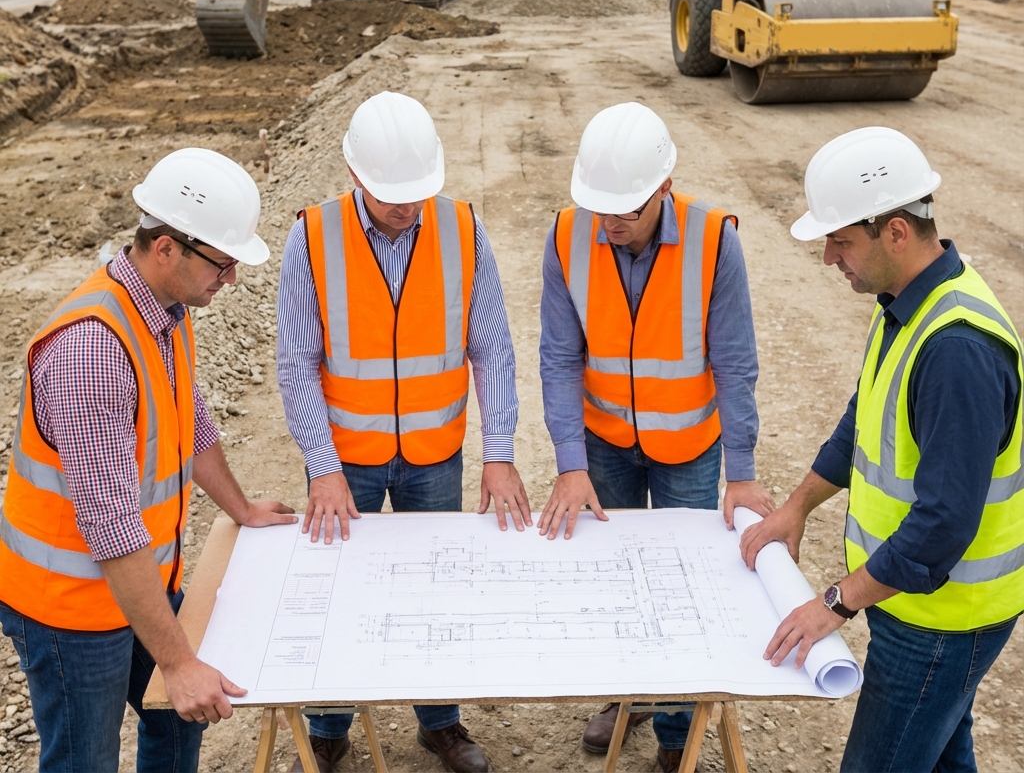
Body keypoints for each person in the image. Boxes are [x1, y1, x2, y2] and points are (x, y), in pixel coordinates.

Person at [0, 148, 297, 773]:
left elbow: (188, 419)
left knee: (179, 717)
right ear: (166, 248)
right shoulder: (92, 352)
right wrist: (178, 660)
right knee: (85, 760)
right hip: (71, 607)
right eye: (222, 264)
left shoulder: (166, 311)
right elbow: (109, 525)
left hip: (138, 583)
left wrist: (239, 508)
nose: (231, 279)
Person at [741, 126, 1022, 773]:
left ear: (895, 231)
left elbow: (943, 525)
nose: (828, 258)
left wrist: (835, 603)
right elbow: (864, 423)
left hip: (942, 618)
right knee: (945, 753)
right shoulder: (903, 301)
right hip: (914, 600)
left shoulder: (956, 351)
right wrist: (797, 507)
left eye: (840, 241)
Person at [277, 90, 529, 773]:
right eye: (392, 194)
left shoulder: (462, 228)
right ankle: (329, 726)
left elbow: (493, 347)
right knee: (338, 589)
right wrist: (322, 466)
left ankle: (439, 722)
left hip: (434, 454)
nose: (406, 207)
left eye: (417, 193)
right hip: (343, 460)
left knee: (433, 589)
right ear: (354, 173)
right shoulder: (312, 234)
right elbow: (295, 360)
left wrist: (498, 454)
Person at [536, 102, 774, 772]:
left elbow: (734, 360)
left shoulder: (712, 238)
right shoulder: (567, 236)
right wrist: (569, 463)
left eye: (627, 212)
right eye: (600, 208)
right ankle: (626, 695)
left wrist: (743, 469)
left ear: (664, 189)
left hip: (688, 448)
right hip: (604, 442)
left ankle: (676, 732)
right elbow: (559, 357)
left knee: (683, 586)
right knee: (614, 578)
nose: (610, 224)